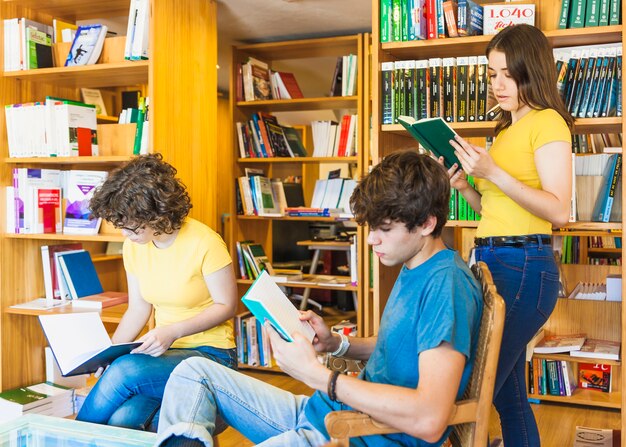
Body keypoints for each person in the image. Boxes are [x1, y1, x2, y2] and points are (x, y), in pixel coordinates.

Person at [154, 151, 483, 447]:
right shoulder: (417, 265)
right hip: (331, 413)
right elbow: (402, 345)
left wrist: (318, 376)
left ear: (427, 224)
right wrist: (335, 344)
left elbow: (429, 419)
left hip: (352, 434)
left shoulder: (446, 287)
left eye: (384, 229)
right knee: (192, 371)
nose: (371, 240)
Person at [446, 24, 573, 447]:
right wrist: (467, 186)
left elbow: (559, 209)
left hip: (523, 267)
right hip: (493, 261)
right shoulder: (504, 133)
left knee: (474, 393)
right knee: (510, 399)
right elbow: (496, 209)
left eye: (507, 74)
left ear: (530, 72)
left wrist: (493, 172)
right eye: (491, 74)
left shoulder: (547, 122)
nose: (497, 85)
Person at [76, 153, 239, 431]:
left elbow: (227, 305)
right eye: (120, 225)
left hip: (212, 354)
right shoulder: (134, 246)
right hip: (162, 355)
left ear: (157, 214)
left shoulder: (205, 242)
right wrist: (108, 354)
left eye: (131, 225)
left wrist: (173, 331)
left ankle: (66, 439)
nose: (125, 233)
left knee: (126, 371)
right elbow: (138, 308)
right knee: (122, 419)